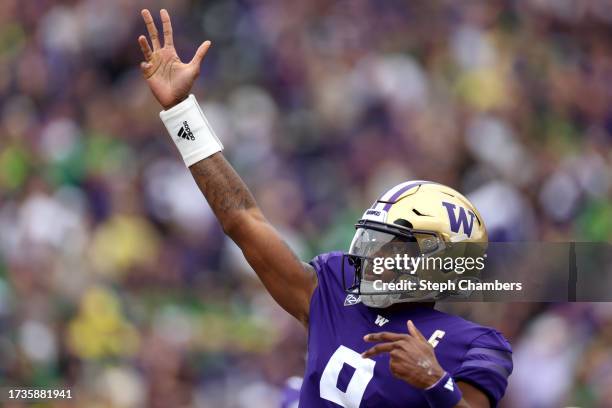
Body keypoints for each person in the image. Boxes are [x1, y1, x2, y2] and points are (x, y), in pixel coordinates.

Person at [137, 9, 512, 408]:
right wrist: (181, 112)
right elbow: (241, 219)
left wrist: (437, 383)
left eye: (392, 246)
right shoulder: (335, 288)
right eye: (375, 239)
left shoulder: (476, 345)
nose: (373, 256)